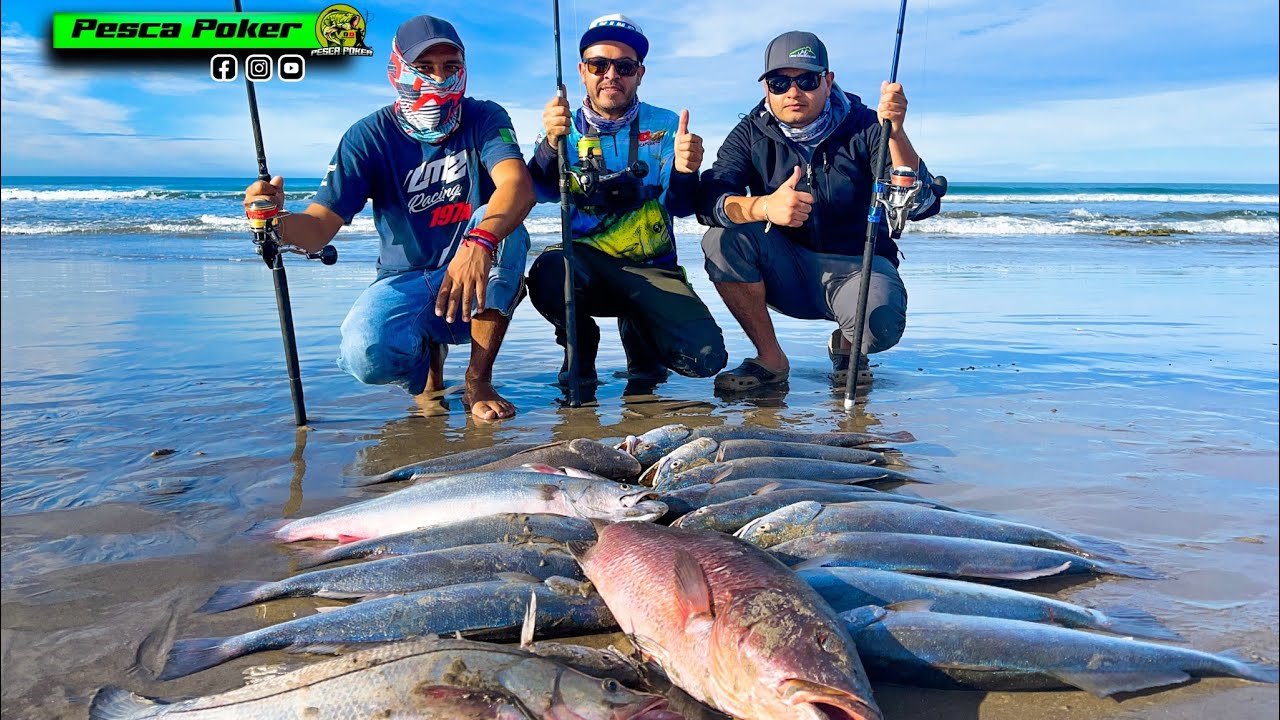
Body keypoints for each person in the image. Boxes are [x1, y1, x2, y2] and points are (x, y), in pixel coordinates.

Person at [243, 15, 535, 420]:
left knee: (502, 223)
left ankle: (478, 379)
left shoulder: (484, 117)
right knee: (365, 352)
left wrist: (479, 242)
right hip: (406, 278)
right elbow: (317, 229)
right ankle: (427, 374)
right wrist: (273, 220)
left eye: (451, 67)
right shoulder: (369, 136)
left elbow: (517, 186)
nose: (439, 78)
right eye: (424, 68)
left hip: (477, 271)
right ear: (397, 70)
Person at [696, 30, 940, 392]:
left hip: (859, 267)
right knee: (721, 239)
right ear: (766, 89)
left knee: (880, 326)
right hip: (786, 269)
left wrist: (897, 134)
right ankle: (770, 358)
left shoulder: (871, 127)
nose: (793, 93)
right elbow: (709, 201)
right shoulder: (749, 132)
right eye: (779, 83)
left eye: (807, 80)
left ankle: (847, 342)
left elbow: (922, 205)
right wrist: (764, 206)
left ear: (828, 81)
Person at [526, 13, 727, 396]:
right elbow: (539, 191)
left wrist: (687, 171)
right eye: (599, 65)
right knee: (548, 273)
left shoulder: (666, 125)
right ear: (583, 71)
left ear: (640, 73)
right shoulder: (561, 124)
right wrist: (549, 145)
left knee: (705, 359)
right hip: (584, 266)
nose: (611, 75)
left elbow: (682, 208)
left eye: (624, 66)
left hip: (651, 269)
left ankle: (641, 336)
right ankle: (580, 345)